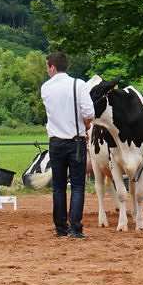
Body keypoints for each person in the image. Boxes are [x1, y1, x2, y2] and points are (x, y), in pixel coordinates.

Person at [39, 50, 93, 239]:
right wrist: (83, 124)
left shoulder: (45, 88)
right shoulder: (79, 85)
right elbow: (89, 114)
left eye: (47, 67)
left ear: (52, 67)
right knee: (77, 186)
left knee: (59, 186)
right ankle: (75, 228)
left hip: (55, 142)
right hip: (76, 141)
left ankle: (60, 227)